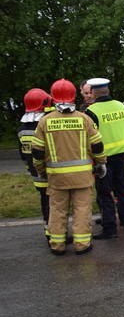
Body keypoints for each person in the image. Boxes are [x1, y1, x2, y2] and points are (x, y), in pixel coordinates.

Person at [31, 79, 107, 255]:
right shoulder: (84, 119)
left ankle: (57, 245)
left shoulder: (44, 121)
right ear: (74, 95)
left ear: (53, 97)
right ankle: (82, 245)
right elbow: (97, 146)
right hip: (83, 176)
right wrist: (101, 163)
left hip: (56, 177)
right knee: (82, 210)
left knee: (57, 210)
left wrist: (41, 170)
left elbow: (37, 152)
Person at [85, 77, 124, 238]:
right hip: (121, 155)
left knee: (105, 193)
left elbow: (90, 138)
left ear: (93, 92)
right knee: (122, 190)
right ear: (107, 90)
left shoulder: (91, 111)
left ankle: (110, 229)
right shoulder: (121, 106)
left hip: (103, 159)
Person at [18, 88, 53, 239]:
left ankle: (48, 229)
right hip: (49, 172)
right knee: (55, 204)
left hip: (35, 174)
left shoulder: (22, 129)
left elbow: (22, 154)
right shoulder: (44, 125)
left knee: (44, 202)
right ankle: (56, 233)